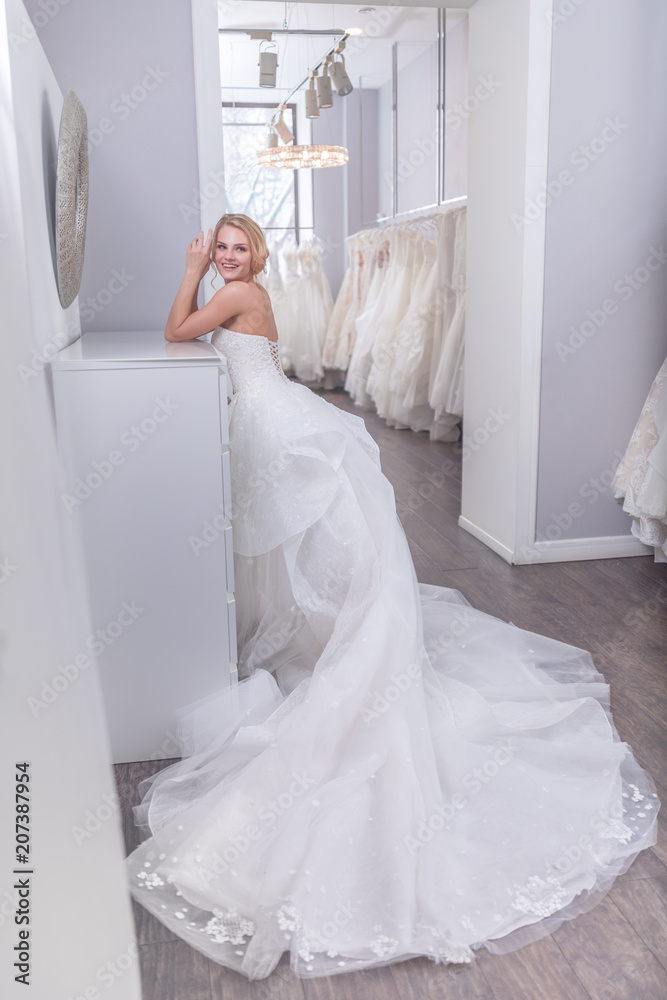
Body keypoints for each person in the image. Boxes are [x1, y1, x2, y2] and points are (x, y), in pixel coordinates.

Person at [128, 213, 659, 981]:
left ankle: (330, 640)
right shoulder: (247, 291)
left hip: (275, 425)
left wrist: (186, 270)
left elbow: (177, 331)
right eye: (220, 245)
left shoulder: (237, 295)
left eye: (237, 246)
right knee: (294, 550)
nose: (228, 255)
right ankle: (312, 635)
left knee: (308, 546)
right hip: (272, 415)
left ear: (253, 255)